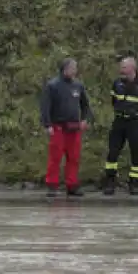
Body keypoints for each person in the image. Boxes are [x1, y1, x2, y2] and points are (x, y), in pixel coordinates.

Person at [40, 58, 93, 198]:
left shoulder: (78, 86)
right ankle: (52, 185)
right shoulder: (53, 85)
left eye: (75, 68)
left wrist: (85, 119)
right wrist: (47, 124)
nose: (75, 70)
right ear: (65, 69)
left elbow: (86, 105)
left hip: (74, 128)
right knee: (55, 157)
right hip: (58, 127)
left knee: (74, 157)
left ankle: (72, 185)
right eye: (72, 68)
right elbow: (45, 107)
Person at [103, 56, 138, 196]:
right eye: (121, 67)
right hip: (119, 122)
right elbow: (114, 101)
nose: (121, 70)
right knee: (112, 153)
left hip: (135, 123)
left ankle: (134, 183)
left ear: (133, 68)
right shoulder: (117, 83)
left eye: (124, 67)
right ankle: (110, 181)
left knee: (136, 154)